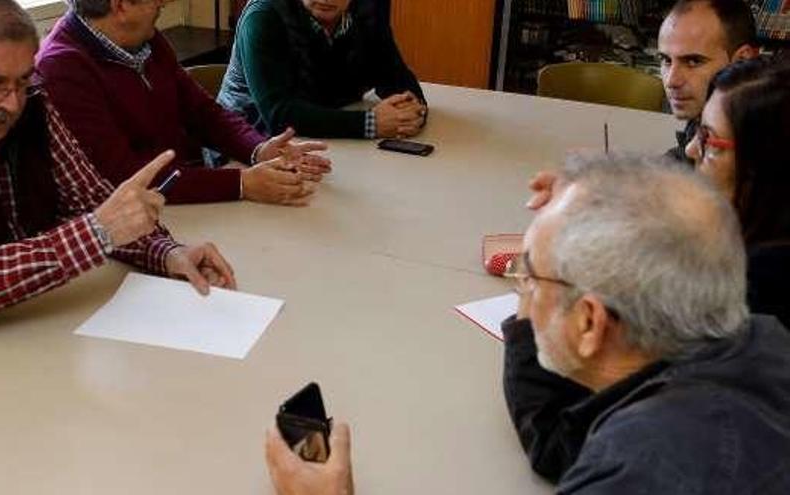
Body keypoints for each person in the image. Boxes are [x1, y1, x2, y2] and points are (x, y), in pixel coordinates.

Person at [264, 157, 790, 493]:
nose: (520, 290)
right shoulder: (763, 344)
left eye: (529, 274)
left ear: (590, 321)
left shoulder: (641, 473)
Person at [0, 0, 235, 341]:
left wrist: (167, 252)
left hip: (30, 323)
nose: (11, 104)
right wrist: (97, 233)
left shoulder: (34, 102)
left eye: (22, 80)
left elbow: (92, 201)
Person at [36, 0, 332, 207]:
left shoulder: (146, 38)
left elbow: (203, 112)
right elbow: (125, 177)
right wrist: (241, 183)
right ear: (121, 5)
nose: (164, 3)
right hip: (143, 217)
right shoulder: (61, 69)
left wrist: (258, 149)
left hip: (187, 197)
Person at [216, 0, 427, 140]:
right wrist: (370, 123)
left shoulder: (369, 8)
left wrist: (411, 111)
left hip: (327, 141)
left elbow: (395, 77)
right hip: (247, 146)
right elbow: (279, 116)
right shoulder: (263, 16)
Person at [684, 57, 790, 327]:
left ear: (763, 165)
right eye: (697, 131)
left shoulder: (755, 289)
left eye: (709, 139)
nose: (691, 149)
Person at [658, 0, 758, 162]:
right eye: (666, 60)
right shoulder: (700, 123)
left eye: (693, 61)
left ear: (743, 61)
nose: (671, 81)